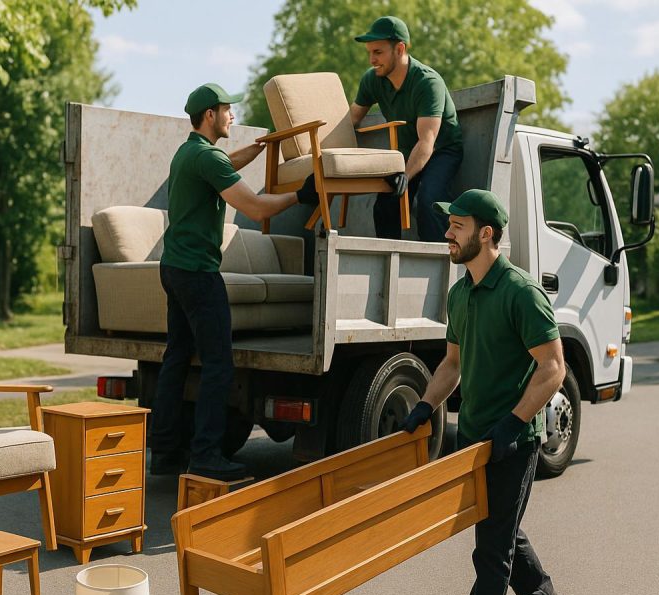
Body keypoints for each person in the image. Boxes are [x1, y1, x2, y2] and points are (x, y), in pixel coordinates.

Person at [400, 189, 565, 595]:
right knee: (503, 529)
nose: (447, 233)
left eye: (458, 225)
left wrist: (514, 422)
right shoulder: (460, 292)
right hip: (472, 436)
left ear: (486, 233)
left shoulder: (520, 292)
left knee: (490, 547)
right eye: (449, 224)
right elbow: (452, 363)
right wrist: (427, 404)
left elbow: (553, 368)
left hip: (514, 439)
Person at [148, 83, 319, 480]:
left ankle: (167, 452)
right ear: (210, 114)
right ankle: (207, 454)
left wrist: (255, 153)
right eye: (227, 110)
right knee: (219, 365)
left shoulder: (189, 152)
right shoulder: (206, 158)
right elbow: (256, 206)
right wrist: (300, 195)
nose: (233, 116)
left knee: (176, 358)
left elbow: (222, 163)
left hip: (174, 269)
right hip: (197, 274)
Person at [350, 16, 464, 242]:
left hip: (441, 150)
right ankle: (389, 261)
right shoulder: (372, 79)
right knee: (385, 202)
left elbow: (427, 141)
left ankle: (437, 264)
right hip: (406, 151)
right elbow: (351, 118)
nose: (372, 59)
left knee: (430, 199)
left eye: (378, 52)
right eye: (370, 52)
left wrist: (406, 175)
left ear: (399, 49)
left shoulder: (428, 83)